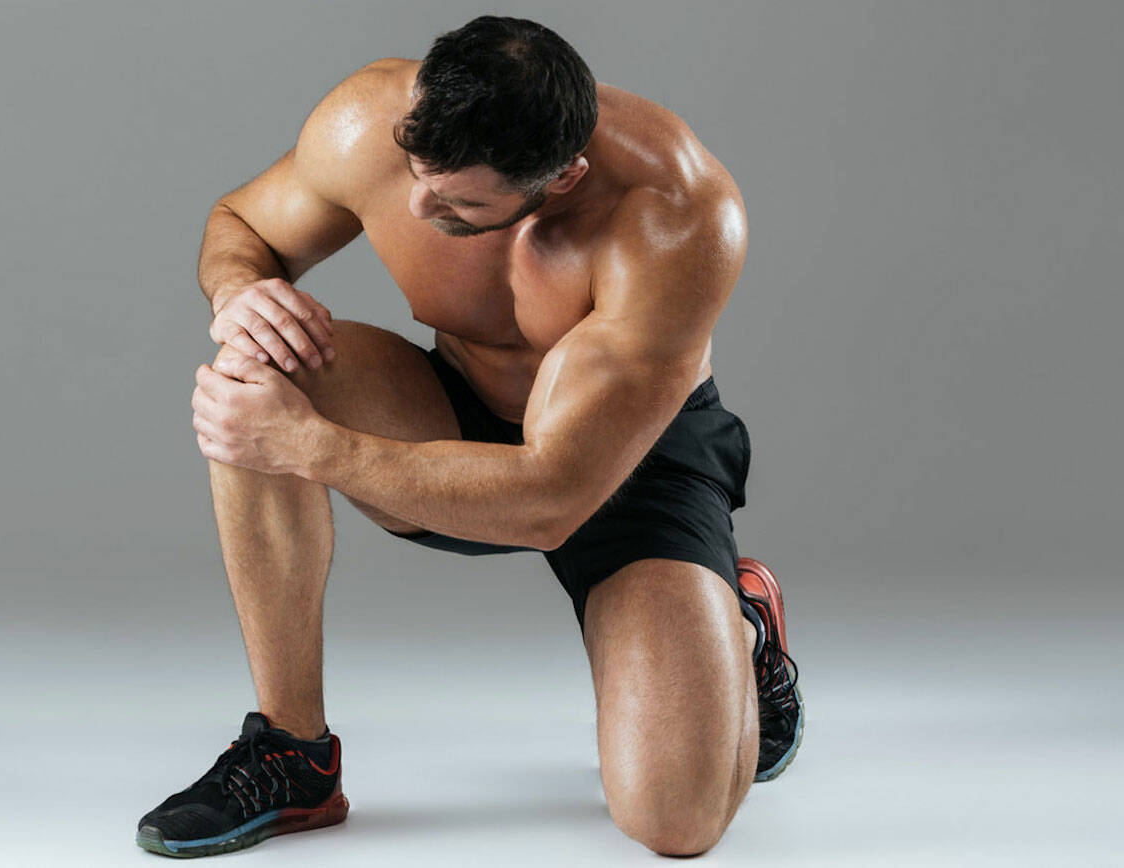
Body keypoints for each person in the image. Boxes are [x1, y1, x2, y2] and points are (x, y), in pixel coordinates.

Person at [137, 15, 802, 859]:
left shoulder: (677, 216)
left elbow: (552, 500)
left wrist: (309, 447)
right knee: (255, 368)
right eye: (418, 174)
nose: (419, 205)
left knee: (676, 820)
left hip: (626, 463)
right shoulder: (370, 123)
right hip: (454, 410)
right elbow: (245, 224)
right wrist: (239, 288)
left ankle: (738, 624)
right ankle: (293, 752)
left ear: (562, 178)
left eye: (459, 203)